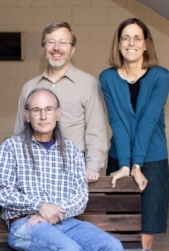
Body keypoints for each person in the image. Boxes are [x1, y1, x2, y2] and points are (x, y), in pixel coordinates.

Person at [0, 88, 124, 251]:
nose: (43, 116)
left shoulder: (71, 150)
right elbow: (1, 190)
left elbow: (80, 196)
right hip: (25, 224)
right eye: (36, 110)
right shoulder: (12, 147)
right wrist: (39, 206)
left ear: (58, 113)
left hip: (64, 222)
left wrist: (53, 213)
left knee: (112, 248)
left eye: (49, 109)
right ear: (27, 115)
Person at [99, 18, 169, 251]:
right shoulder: (107, 77)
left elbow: (149, 120)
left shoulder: (161, 76)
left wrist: (137, 165)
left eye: (137, 38)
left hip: (153, 161)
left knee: (144, 236)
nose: (131, 43)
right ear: (118, 45)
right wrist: (126, 166)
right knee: (119, 234)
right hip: (119, 161)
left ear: (146, 44)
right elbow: (117, 121)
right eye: (125, 37)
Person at [13, 21, 107, 184]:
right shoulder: (29, 87)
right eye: (51, 42)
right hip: (34, 170)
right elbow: (20, 132)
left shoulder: (88, 83)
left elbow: (96, 129)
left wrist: (92, 166)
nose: (57, 47)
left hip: (73, 169)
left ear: (72, 49)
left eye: (63, 42)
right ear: (43, 48)